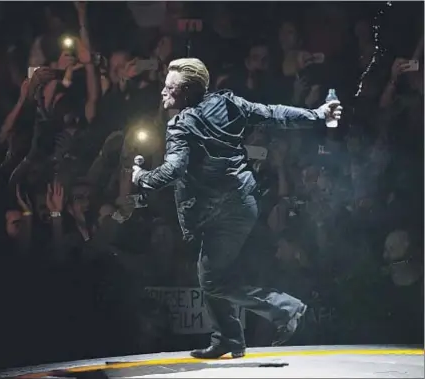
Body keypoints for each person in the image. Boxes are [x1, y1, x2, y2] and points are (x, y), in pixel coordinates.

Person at [131, 58, 342, 359]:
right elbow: (272, 114)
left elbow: (173, 170)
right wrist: (317, 114)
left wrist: (142, 178)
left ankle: (286, 309)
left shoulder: (180, 126)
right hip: (242, 204)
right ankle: (228, 339)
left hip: (216, 211)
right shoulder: (227, 103)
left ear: (186, 92)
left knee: (213, 279)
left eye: (169, 88)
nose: (162, 92)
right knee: (209, 272)